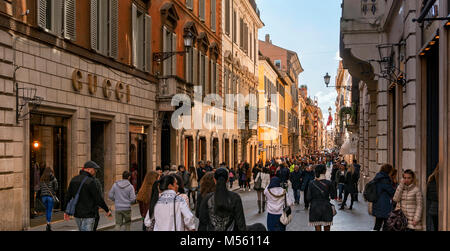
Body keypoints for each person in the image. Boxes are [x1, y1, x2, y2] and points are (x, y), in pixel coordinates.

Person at [64, 161, 112, 231]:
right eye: (94, 169)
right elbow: (98, 198)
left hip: (77, 214)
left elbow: (67, 196)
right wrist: (107, 210)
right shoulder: (90, 181)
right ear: (88, 169)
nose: (95, 171)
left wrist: (66, 211)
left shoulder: (74, 180)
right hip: (89, 214)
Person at [307, 164, 337, 231]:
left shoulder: (311, 183)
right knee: (327, 228)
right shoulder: (329, 183)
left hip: (315, 207)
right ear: (325, 171)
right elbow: (333, 196)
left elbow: (308, 197)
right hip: (326, 207)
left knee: (317, 229)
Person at [372, 164, 396, 231]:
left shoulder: (378, 177)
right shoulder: (385, 179)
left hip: (377, 203)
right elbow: (391, 191)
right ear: (389, 171)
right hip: (384, 205)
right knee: (386, 224)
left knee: (378, 224)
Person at [38, 167, 58, 231]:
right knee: (49, 211)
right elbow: (56, 187)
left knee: (47, 210)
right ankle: (48, 224)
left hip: (43, 197)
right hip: (50, 197)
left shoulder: (42, 178)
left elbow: (40, 187)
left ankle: (48, 223)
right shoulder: (53, 178)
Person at [427, 165, 439, 231]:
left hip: (433, 209)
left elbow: (428, 196)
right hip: (439, 208)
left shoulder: (431, 179)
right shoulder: (442, 179)